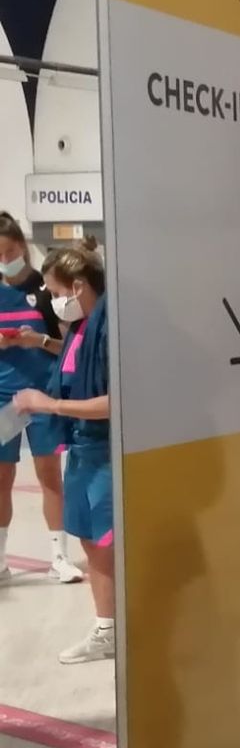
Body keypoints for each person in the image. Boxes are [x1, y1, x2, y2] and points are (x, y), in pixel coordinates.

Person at [11, 245, 113, 662]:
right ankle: (106, 627)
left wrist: (48, 405)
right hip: (81, 450)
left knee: (108, 544)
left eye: (55, 292)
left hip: (104, 452)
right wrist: (43, 342)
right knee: (91, 542)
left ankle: (116, 626)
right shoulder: (78, 329)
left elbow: (116, 401)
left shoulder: (108, 330)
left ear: (78, 286)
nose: (54, 301)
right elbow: (71, 362)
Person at [0, 213, 81, 586]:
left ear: (23, 247)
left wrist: (38, 341)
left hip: (44, 394)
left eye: (10, 251)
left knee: (50, 475)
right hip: (4, 400)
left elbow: (70, 348)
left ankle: (59, 557)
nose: (5, 260)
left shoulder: (46, 291)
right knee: (2, 478)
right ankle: (1, 560)